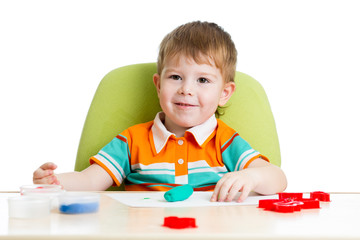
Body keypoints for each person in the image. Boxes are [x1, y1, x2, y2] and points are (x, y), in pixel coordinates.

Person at [33, 21, 287, 202]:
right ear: (158, 84)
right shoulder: (131, 141)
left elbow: (277, 179)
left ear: (225, 93)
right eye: (175, 77)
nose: (186, 89)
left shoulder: (226, 141)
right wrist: (56, 183)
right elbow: (90, 181)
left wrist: (251, 177)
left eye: (203, 80)